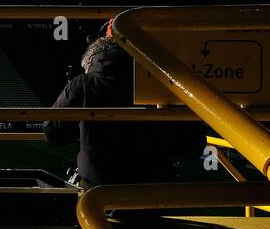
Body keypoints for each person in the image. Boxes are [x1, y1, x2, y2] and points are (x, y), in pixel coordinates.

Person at [44, 26, 203, 187]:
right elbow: (192, 147)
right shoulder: (164, 85)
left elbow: (53, 134)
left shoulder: (83, 85)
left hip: (98, 193)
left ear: (93, 57)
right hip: (154, 191)